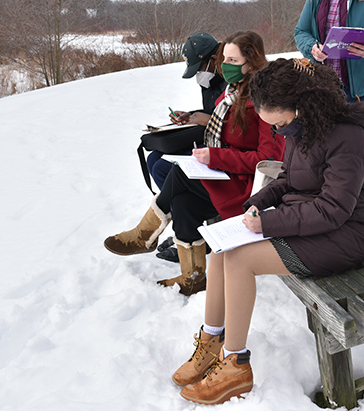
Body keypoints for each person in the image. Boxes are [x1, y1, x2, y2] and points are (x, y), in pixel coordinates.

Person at [173, 58, 364, 405]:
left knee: (239, 260)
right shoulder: (304, 126)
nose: (280, 133)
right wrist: (257, 201)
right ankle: (211, 341)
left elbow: (334, 210)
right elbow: (288, 177)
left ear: (303, 104)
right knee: (222, 249)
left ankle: (236, 364)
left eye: (280, 124)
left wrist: (267, 223)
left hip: (344, 236)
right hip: (306, 221)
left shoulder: (347, 136)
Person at [104, 31, 285, 296]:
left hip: (250, 188)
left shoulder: (265, 101)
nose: (225, 66)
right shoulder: (233, 92)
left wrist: (215, 157)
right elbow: (226, 134)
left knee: (178, 176)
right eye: (224, 59)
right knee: (183, 202)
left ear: (252, 61)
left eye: (232, 60)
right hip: (228, 176)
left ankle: (145, 234)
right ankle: (194, 277)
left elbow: (266, 161)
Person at [146, 32, 227, 192]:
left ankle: (186, 204)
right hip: (207, 136)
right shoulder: (211, 79)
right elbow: (211, 110)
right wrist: (190, 116)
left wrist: (207, 119)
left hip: (224, 143)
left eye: (199, 69)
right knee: (153, 158)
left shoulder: (231, 79)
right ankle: (174, 204)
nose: (198, 75)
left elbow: (233, 121)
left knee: (162, 167)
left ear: (213, 60)